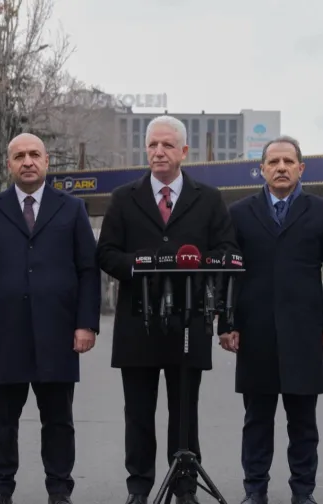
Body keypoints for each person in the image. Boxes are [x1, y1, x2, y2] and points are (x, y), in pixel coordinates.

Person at [95, 115, 238, 504]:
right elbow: (106, 254)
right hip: (137, 321)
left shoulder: (207, 198)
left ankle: (186, 487)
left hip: (188, 321)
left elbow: (226, 251)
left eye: (167, 146)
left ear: (184, 151)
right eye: (153, 145)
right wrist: (145, 263)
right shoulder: (125, 198)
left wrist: (196, 264)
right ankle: (139, 487)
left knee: (184, 410)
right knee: (138, 413)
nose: (159, 152)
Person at [0, 133, 101, 504]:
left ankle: (59, 490)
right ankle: (0, 490)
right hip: (3, 334)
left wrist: (86, 323)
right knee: (2, 421)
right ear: (9, 164)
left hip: (58, 335)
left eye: (34, 154)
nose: (27, 161)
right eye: (19, 155)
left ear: (47, 161)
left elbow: (88, 269)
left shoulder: (72, 209)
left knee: (58, 420)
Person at [219, 135, 323, 504]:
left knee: (303, 422)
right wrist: (226, 324)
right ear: (261, 169)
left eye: (288, 162)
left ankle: (302, 493)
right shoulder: (240, 213)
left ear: (300, 168)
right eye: (273, 162)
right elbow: (229, 274)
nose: (280, 168)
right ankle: (254, 491)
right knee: (256, 420)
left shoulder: (321, 212)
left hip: (303, 335)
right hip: (254, 333)